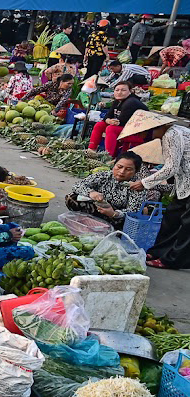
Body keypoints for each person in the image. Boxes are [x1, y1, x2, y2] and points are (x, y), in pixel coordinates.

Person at [132, 120, 190, 268]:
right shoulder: (175, 130)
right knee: (172, 216)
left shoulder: (171, 135)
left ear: (158, 128)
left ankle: (171, 260)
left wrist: (144, 183)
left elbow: (171, 168)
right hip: (185, 182)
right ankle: (158, 251)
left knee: (186, 225)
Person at [64, 152, 147, 229]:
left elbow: (133, 212)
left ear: (136, 171)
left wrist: (114, 213)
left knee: (127, 220)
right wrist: (91, 192)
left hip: (116, 217)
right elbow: (78, 185)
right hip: (98, 209)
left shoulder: (137, 186)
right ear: (114, 165)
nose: (122, 172)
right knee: (72, 197)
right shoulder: (104, 175)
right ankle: (89, 222)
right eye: (119, 167)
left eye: (128, 169)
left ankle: (102, 226)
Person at [88, 82, 146, 156]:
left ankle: (108, 156)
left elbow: (120, 122)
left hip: (136, 132)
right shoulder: (117, 101)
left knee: (111, 129)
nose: (119, 92)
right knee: (100, 125)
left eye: (123, 90)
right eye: (117, 90)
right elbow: (107, 117)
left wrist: (110, 121)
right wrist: (109, 120)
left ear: (130, 91)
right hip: (125, 128)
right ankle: (91, 151)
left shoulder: (131, 102)